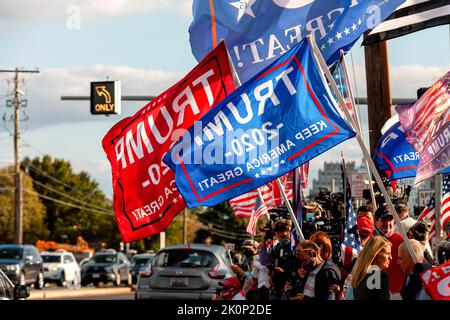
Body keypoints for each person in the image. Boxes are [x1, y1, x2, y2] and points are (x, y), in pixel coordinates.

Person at [374, 205, 406, 294]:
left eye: (390, 220)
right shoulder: (371, 242)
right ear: (376, 221)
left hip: (398, 293)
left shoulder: (402, 241)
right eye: (384, 219)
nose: (387, 223)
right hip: (377, 291)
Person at [267, 219, 295, 300]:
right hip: (277, 287)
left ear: (289, 231)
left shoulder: (295, 246)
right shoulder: (277, 247)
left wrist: (284, 272)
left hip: (291, 287)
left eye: (283, 236)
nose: (280, 238)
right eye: (278, 236)